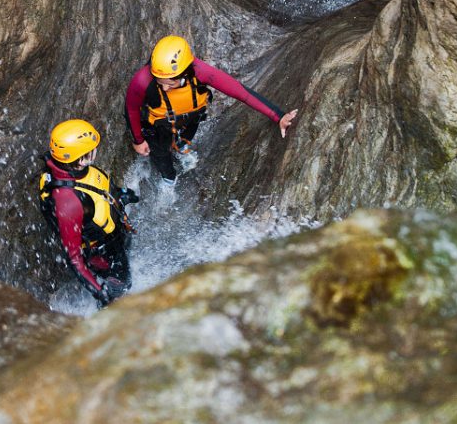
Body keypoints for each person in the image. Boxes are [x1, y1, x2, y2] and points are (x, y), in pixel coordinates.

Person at [125, 35, 298, 185]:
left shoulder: (200, 72)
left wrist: (278, 116)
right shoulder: (142, 80)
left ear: (185, 74)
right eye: (160, 82)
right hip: (158, 127)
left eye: (171, 84)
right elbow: (131, 109)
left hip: (189, 120)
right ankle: (169, 179)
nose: (165, 88)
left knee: (186, 135)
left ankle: (182, 145)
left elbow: (241, 92)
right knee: (162, 157)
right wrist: (138, 140)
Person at [39, 119, 138, 306]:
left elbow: (97, 189)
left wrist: (121, 195)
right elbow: (74, 257)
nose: (96, 149)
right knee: (123, 283)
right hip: (102, 251)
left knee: (124, 257)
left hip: (113, 235)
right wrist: (100, 293)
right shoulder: (68, 203)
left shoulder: (74, 170)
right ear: (80, 158)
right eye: (92, 148)